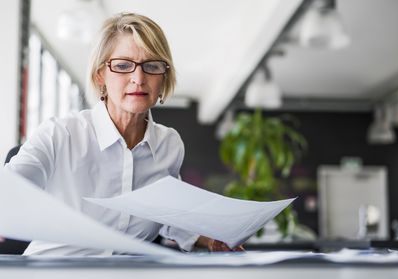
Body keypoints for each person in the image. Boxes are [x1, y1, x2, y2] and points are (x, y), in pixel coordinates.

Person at [5, 12, 243, 255]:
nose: (138, 79)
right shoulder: (59, 135)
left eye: (152, 66)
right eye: (122, 66)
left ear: (164, 77)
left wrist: (209, 238)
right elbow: (7, 194)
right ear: (101, 76)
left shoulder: (169, 145)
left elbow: (166, 213)